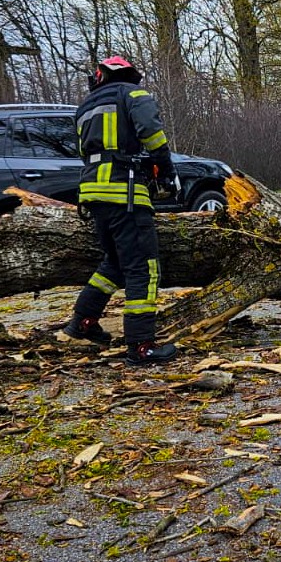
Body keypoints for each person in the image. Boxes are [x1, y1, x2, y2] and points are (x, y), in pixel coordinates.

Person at [62, 56, 181, 364]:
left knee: (114, 262)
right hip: (124, 193)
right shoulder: (132, 94)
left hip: (92, 192)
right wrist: (166, 170)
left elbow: (86, 151)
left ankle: (83, 321)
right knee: (144, 268)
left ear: (99, 77)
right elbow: (152, 133)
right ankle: (141, 346)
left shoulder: (85, 107)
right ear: (128, 75)